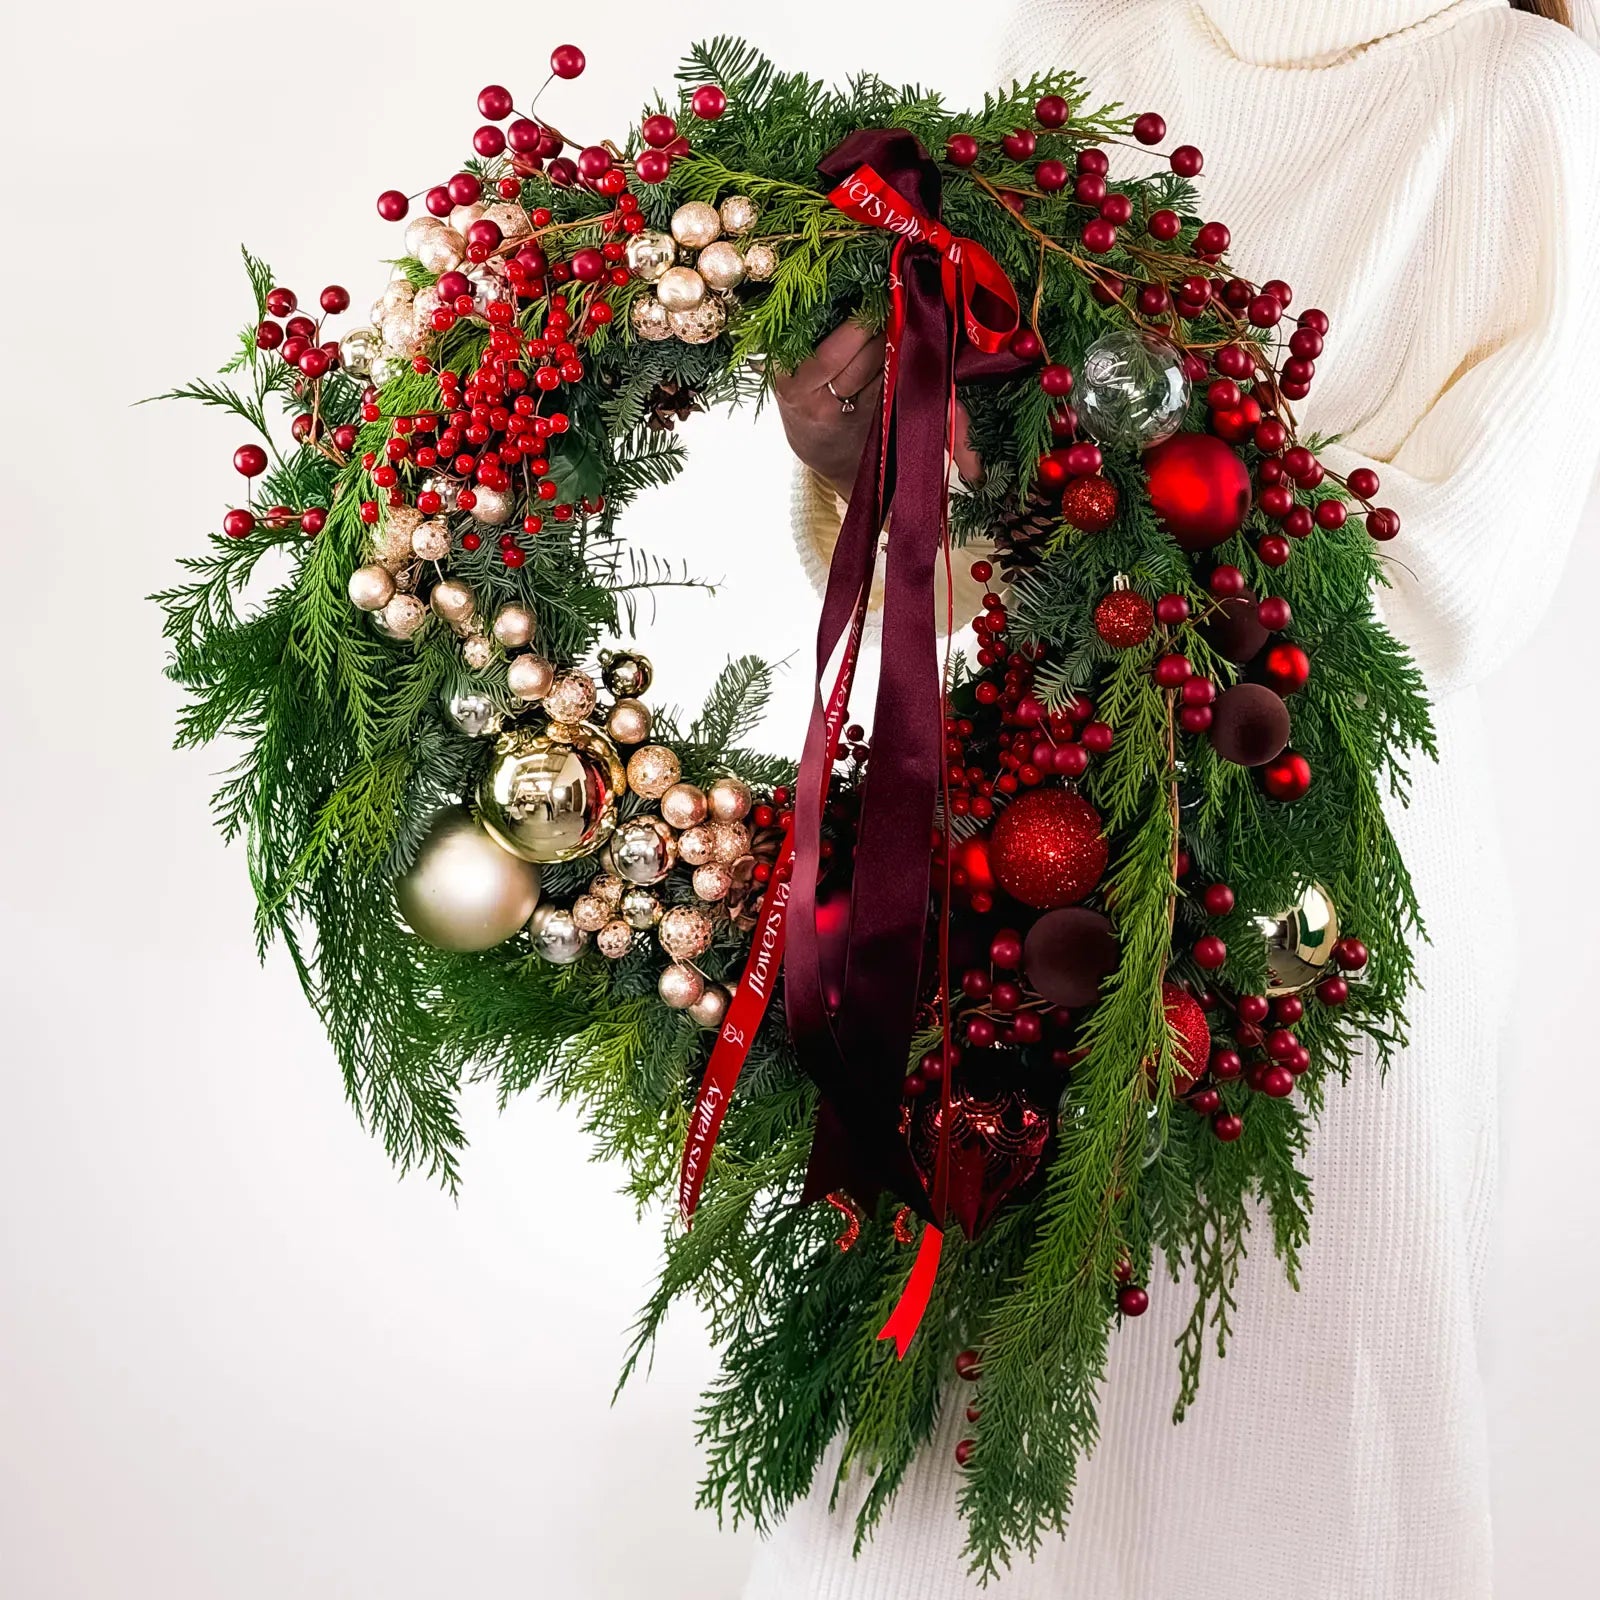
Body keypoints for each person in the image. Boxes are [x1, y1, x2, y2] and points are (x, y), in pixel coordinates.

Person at [746, 3, 1600, 1597]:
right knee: (960, 1460)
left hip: (1307, 882)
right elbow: (969, 522)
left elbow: (1462, 567)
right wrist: (870, 446)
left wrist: (1104, 506)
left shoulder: (1519, 92)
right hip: (1011, 835)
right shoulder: (1093, 40)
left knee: (1284, 1448)